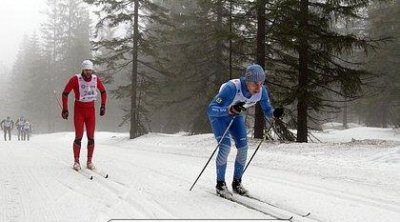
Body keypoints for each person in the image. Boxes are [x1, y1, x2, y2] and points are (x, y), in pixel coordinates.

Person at [207, 64, 284, 197]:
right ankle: (220, 184)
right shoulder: (232, 88)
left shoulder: (261, 91)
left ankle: (237, 183)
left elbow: (267, 110)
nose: (258, 87)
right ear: (247, 81)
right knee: (225, 147)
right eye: (255, 84)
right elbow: (211, 109)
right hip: (219, 118)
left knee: (243, 148)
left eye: (261, 83)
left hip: (235, 117)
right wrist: (229, 110)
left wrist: (274, 113)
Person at [61, 60, 107, 171]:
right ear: (82, 69)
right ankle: (76, 161)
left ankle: (89, 161)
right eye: (86, 70)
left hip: (91, 111)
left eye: (90, 70)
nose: (88, 72)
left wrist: (103, 106)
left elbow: (103, 91)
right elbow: (65, 93)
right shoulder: (75, 79)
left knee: (91, 137)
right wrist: (65, 109)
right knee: (79, 136)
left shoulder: (95, 79)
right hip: (79, 111)